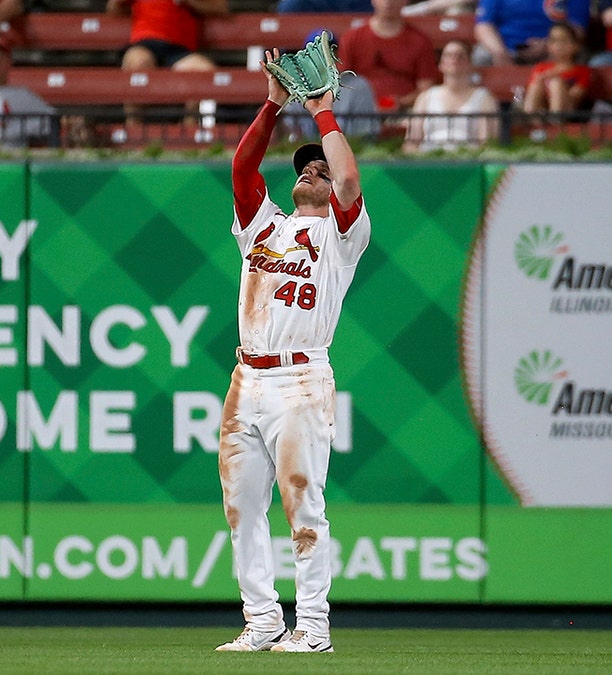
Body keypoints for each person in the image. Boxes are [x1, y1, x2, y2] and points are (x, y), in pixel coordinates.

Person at [215, 48, 370, 655]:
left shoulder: (342, 234)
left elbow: (351, 180)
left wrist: (324, 114)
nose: (310, 172)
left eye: (319, 170)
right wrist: (275, 104)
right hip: (245, 377)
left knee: (303, 506)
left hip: (302, 379)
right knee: (241, 508)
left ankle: (314, 627)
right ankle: (261, 621)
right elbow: (241, 168)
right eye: (305, 167)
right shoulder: (265, 225)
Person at [338, 0, 437, 112]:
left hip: (406, 112)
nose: (388, 2)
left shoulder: (420, 41)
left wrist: (400, 102)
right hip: (360, 112)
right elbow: (343, 83)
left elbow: (426, 89)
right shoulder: (352, 38)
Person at [280, 31, 380, 140]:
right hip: (306, 153)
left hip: (347, 151)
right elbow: (288, 136)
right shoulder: (295, 86)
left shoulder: (358, 86)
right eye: (317, 50)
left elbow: (364, 136)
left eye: (329, 49)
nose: (324, 55)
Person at [405, 38, 498, 151]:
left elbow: (487, 142)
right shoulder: (426, 97)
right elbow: (411, 141)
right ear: (440, 64)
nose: (454, 59)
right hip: (429, 159)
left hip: (468, 159)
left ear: (469, 64)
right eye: (448, 55)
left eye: (460, 56)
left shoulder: (484, 98)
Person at [472, 0, 590, 66]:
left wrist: (547, 45)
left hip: (552, 50)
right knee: (482, 56)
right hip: (507, 49)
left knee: (574, 53)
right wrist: (500, 52)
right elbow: (484, 25)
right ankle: (496, 107)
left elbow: (577, 28)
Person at [522, 21, 592, 115]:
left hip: (568, 111)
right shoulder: (541, 68)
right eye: (554, 41)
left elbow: (576, 97)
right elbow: (531, 91)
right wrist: (542, 80)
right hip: (542, 108)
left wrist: (558, 85)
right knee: (535, 85)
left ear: (576, 45)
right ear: (548, 45)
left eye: (564, 40)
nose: (559, 45)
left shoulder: (582, 71)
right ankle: (531, 120)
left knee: (556, 83)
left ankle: (555, 122)